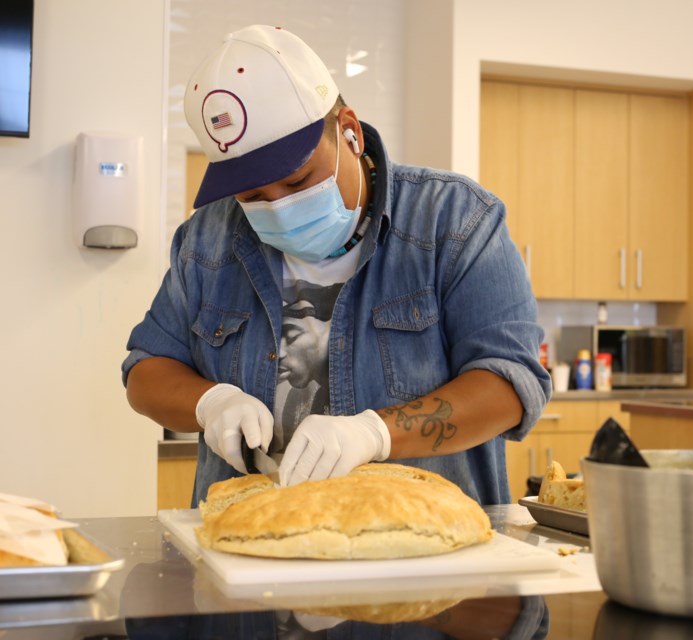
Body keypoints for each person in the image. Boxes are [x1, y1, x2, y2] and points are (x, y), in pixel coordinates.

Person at [122, 24, 550, 507]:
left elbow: (511, 384)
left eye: (297, 179)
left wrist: (375, 434)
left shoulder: (455, 222)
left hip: (424, 548)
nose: (279, 207)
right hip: (253, 546)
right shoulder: (206, 241)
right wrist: (210, 403)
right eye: (254, 197)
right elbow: (146, 370)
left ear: (348, 129)